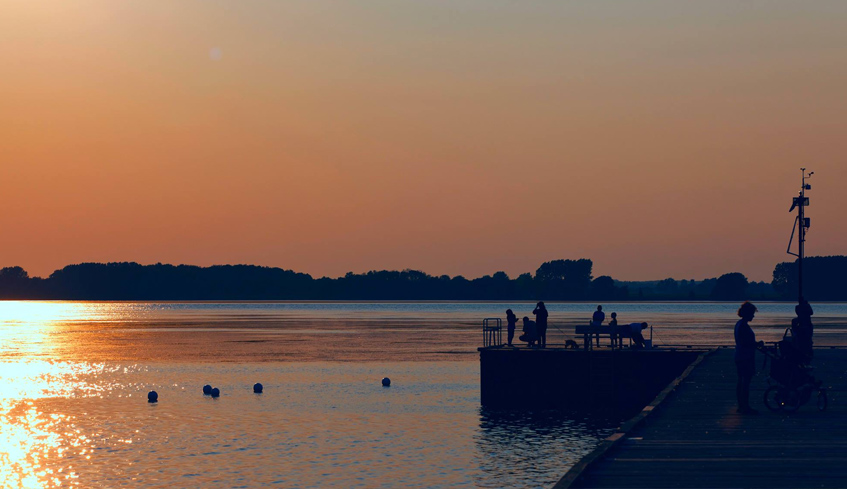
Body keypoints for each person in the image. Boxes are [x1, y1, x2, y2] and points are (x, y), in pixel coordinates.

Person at [735, 301, 764, 415]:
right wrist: (757, 344)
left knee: (741, 381)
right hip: (745, 357)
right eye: (752, 313)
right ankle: (745, 406)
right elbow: (745, 343)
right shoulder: (743, 326)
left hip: (739, 356)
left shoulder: (739, 324)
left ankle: (741, 405)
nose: (753, 315)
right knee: (745, 382)